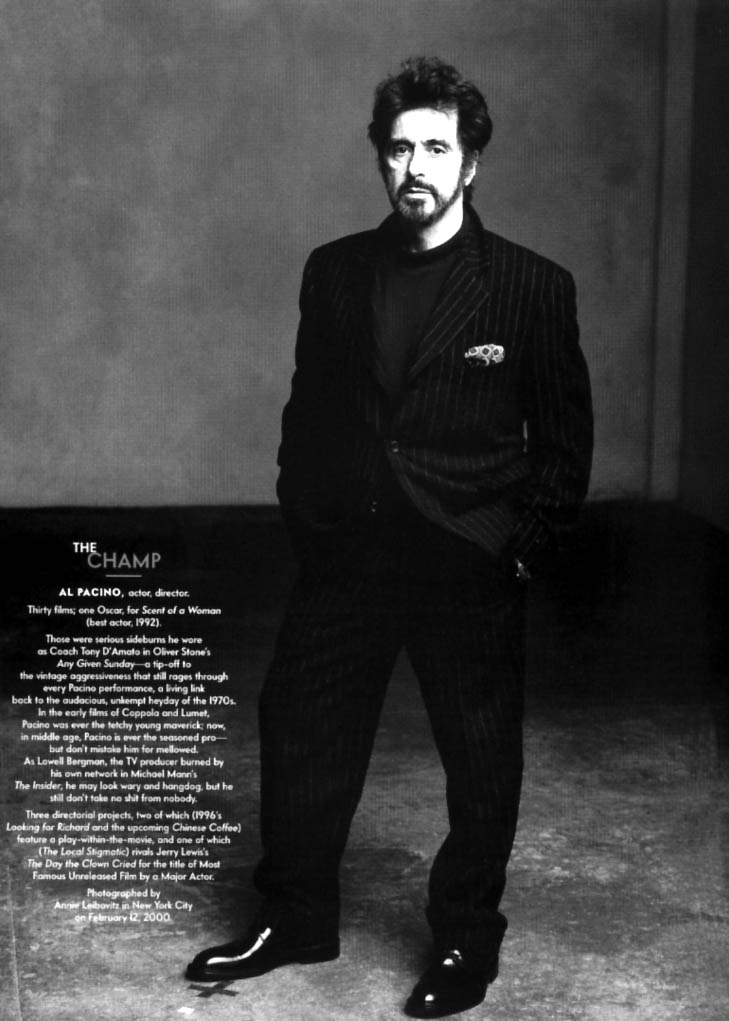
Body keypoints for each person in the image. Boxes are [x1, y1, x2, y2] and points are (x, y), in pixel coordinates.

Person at [187, 56, 593, 1018]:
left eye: (436, 149)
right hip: (353, 549)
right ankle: (296, 917)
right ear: (379, 158)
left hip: (466, 554)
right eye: (399, 148)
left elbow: (564, 442)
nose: (415, 167)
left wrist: (516, 548)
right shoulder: (333, 271)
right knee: (298, 721)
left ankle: (465, 941)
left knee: (479, 758)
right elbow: (308, 413)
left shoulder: (530, 286)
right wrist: (310, 516)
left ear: (470, 164)